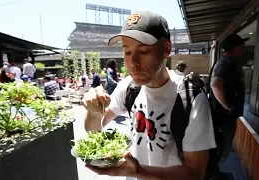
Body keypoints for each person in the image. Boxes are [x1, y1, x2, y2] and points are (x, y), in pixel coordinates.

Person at [82, 11, 216, 180]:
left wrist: (139, 172)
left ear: (166, 49)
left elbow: (195, 173)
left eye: (144, 51)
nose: (133, 63)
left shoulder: (191, 98)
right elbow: (94, 129)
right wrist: (94, 110)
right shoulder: (128, 86)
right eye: (127, 52)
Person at [207, 34, 248, 179]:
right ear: (234, 47)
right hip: (223, 117)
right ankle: (212, 174)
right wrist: (227, 106)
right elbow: (215, 84)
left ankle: (214, 171)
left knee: (220, 145)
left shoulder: (223, 62)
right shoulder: (228, 63)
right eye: (241, 46)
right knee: (222, 146)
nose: (243, 48)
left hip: (221, 116)